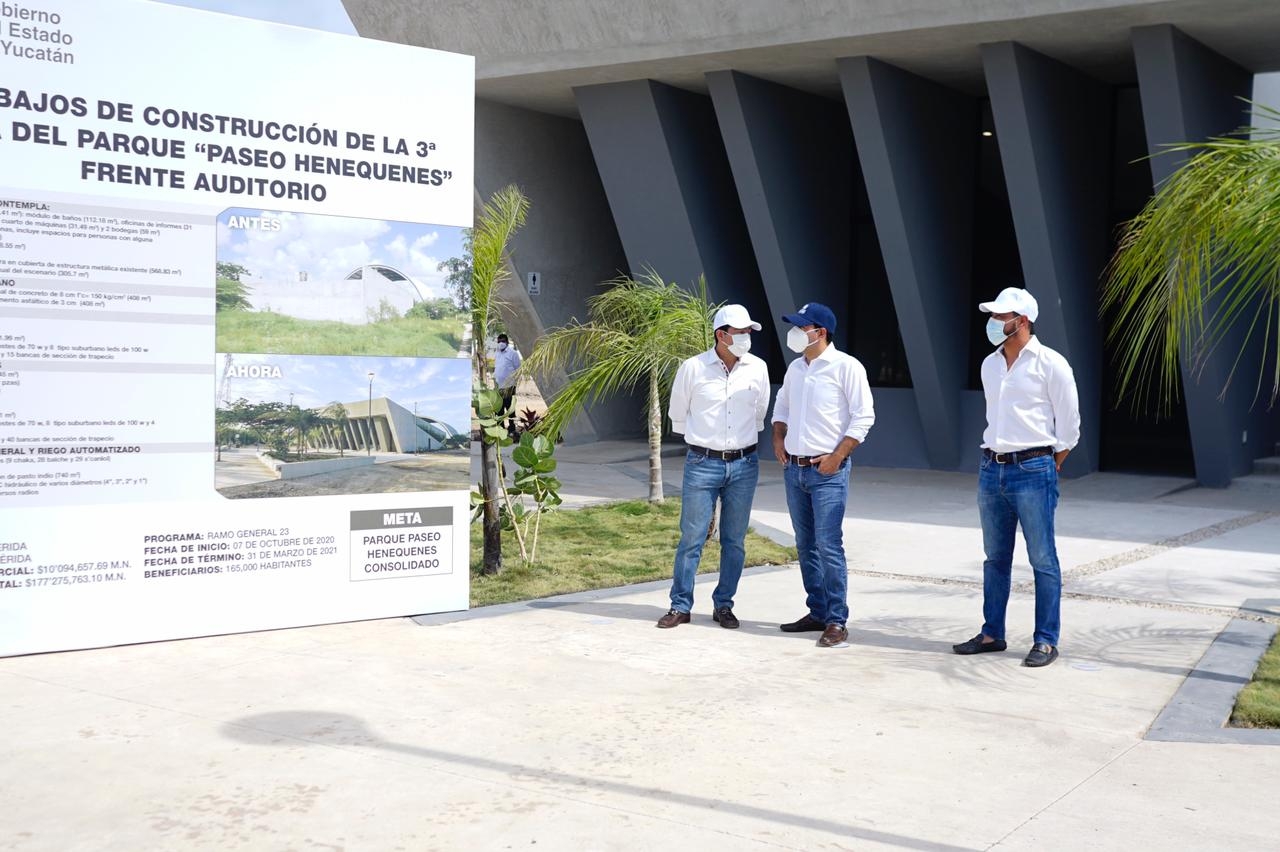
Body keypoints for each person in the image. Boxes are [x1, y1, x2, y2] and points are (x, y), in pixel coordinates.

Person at [952, 287, 1079, 668]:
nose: (993, 322)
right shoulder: (990, 365)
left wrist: (1046, 464)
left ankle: (1045, 641)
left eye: (1000, 316)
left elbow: (1070, 426)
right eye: (992, 315)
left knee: (1042, 558)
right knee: (995, 558)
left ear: (1021, 321)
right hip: (991, 467)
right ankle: (992, 633)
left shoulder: (1051, 363)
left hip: (1034, 469)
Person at [657, 304, 771, 630]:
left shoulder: (758, 369)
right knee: (691, 538)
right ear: (721, 335)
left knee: (734, 540)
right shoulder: (693, 368)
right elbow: (678, 414)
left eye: (749, 331)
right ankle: (680, 605)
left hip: (744, 464)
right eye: (741, 332)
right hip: (702, 462)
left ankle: (725, 604)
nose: (747, 337)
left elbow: (759, 413)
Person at [771, 303, 875, 648]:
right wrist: (778, 436)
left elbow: (864, 417)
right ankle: (817, 610)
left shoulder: (847, 367)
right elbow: (782, 404)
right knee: (805, 544)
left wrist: (837, 456)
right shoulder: (796, 369)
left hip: (827, 471)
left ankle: (836, 620)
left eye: (803, 327)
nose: (797, 332)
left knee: (829, 544)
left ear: (821, 332)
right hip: (795, 470)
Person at [493, 333, 522, 437]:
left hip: (509, 387)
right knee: (499, 410)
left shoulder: (512, 353)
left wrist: (514, 383)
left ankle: (512, 430)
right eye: (499, 341)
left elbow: (518, 369)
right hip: (498, 387)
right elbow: (497, 368)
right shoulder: (497, 353)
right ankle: (500, 430)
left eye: (503, 341)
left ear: (507, 342)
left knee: (510, 410)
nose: (500, 343)